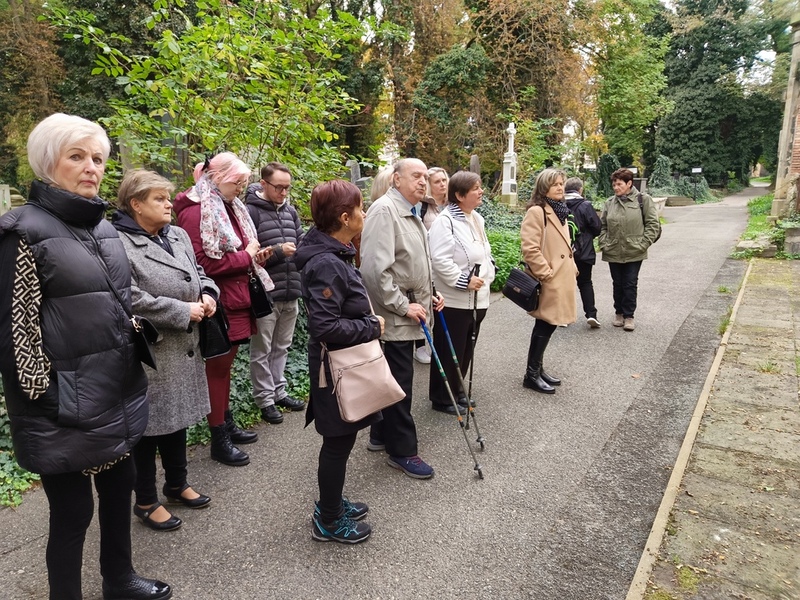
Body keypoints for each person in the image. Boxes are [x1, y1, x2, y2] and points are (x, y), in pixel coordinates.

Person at [0, 113, 171, 599]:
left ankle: (119, 580)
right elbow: (15, 333)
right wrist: (51, 398)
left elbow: (117, 303)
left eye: (97, 158)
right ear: (47, 161)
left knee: (121, 490)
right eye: (76, 156)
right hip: (64, 405)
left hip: (117, 389)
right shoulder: (21, 231)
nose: (91, 167)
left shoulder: (104, 229)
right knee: (73, 514)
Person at [112, 170, 217, 532]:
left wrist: (209, 294)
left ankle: (176, 484)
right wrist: (181, 310)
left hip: (185, 344)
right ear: (136, 204)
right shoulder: (118, 243)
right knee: (148, 426)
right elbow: (127, 295)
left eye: (167, 197)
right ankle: (145, 500)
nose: (169, 204)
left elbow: (199, 271)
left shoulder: (177, 234)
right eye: (159, 199)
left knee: (177, 417)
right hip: (151, 348)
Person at [295, 180, 381, 544]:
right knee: (337, 441)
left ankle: (331, 502)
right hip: (335, 368)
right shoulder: (327, 262)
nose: (364, 213)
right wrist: (371, 326)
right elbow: (325, 326)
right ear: (345, 218)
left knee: (342, 439)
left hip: (343, 364)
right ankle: (329, 519)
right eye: (360, 208)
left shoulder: (335, 252)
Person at [174, 152, 273, 466]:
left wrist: (255, 257)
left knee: (224, 366)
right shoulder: (197, 210)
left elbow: (239, 249)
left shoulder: (227, 205)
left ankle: (226, 423)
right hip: (220, 300)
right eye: (237, 182)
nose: (242, 188)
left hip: (237, 295)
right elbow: (200, 263)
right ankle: (218, 438)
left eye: (244, 182)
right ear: (217, 178)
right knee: (217, 368)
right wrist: (246, 257)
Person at [360, 157, 444, 479]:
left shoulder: (410, 210)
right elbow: (374, 270)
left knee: (394, 380)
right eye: (416, 176)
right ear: (396, 179)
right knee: (400, 386)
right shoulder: (385, 211)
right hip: (394, 316)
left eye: (425, 176)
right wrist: (402, 305)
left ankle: (381, 434)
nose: (423, 182)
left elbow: (411, 264)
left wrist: (429, 294)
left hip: (409, 311)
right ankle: (403, 451)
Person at [428, 171, 495, 414]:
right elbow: (439, 260)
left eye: (480, 187)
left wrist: (490, 271)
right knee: (450, 350)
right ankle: (441, 397)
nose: (481, 191)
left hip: (478, 298)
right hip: (454, 301)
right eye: (475, 188)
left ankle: (456, 390)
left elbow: (485, 253)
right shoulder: (445, 222)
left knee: (466, 348)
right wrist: (464, 281)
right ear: (459, 195)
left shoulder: (476, 218)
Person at [245, 162, 306, 425]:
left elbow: (301, 243)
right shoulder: (250, 213)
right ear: (263, 184)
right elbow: (248, 259)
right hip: (266, 294)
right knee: (262, 350)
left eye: (287, 188)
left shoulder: (290, 211)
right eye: (279, 187)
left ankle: (279, 391)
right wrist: (279, 251)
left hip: (291, 290)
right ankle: (265, 399)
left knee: (282, 346)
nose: (283, 192)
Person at [520, 168, 578, 394]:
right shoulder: (537, 211)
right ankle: (531, 374)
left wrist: (572, 268)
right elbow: (530, 248)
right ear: (544, 188)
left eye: (562, 183)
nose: (560, 187)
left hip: (561, 276)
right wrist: (546, 273)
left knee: (548, 324)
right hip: (550, 278)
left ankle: (538, 369)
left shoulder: (559, 210)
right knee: (546, 323)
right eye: (555, 184)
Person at [598, 168, 660, 332]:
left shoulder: (643, 200)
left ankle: (629, 315)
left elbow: (653, 224)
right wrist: (604, 243)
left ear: (629, 183)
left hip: (634, 250)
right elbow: (602, 226)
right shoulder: (610, 202)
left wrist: (643, 244)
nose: (616, 187)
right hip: (613, 250)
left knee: (630, 283)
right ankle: (618, 313)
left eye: (619, 184)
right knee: (617, 283)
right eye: (614, 184)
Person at [413, 166, 449, 365]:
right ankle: (420, 346)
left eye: (444, 180)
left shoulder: (450, 204)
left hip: (445, 262)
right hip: (428, 262)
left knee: (440, 305)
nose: (442, 184)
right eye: (437, 181)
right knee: (425, 303)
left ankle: (438, 343)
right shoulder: (422, 206)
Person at [564, 177, 602, 328]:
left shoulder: (559, 204)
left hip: (564, 252)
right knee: (585, 283)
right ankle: (591, 315)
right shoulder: (585, 205)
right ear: (580, 190)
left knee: (565, 284)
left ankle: (564, 317)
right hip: (584, 251)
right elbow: (597, 227)